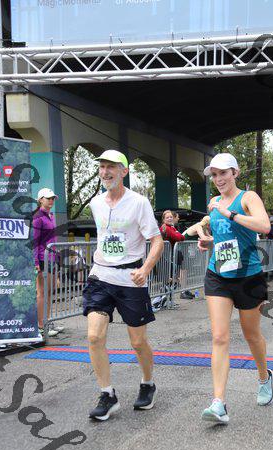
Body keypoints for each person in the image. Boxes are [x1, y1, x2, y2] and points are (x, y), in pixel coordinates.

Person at [83, 150, 164, 420]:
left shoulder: (139, 203)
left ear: (124, 172)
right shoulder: (96, 203)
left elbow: (157, 241)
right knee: (94, 336)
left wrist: (145, 269)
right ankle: (107, 394)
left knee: (138, 341)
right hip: (101, 276)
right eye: (102, 167)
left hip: (130, 279)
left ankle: (148, 383)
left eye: (111, 167)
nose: (105, 172)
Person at [199, 152, 273, 424]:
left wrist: (230, 213)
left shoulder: (247, 198)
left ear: (235, 173)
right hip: (218, 275)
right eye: (214, 175)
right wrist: (208, 242)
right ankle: (219, 403)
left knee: (251, 335)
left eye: (223, 173)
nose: (218, 179)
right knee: (219, 337)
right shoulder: (213, 203)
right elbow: (223, 236)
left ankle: (264, 377)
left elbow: (264, 226)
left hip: (248, 277)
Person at [33, 188, 61, 337]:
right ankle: (40, 326)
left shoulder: (51, 215)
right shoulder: (38, 217)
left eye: (53, 198)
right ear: (40, 200)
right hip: (42, 259)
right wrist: (36, 262)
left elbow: (52, 240)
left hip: (51, 258)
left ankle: (47, 322)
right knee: (42, 292)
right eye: (48, 198)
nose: (51, 200)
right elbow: (34, 241)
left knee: (49, 292)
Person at [160, 210, 194, 300]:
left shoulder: (172, 227)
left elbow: (181, 237)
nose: (169, 218)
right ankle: (163, 300)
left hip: (171, 255)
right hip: (166, 256)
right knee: (169, 278)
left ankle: (168, 301)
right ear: (163, 219)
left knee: (172, 278)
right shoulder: (166, 228)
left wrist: (177, 234)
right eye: (167, 217)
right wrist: (177, 234)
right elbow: (178, 237)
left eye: (171, 217)